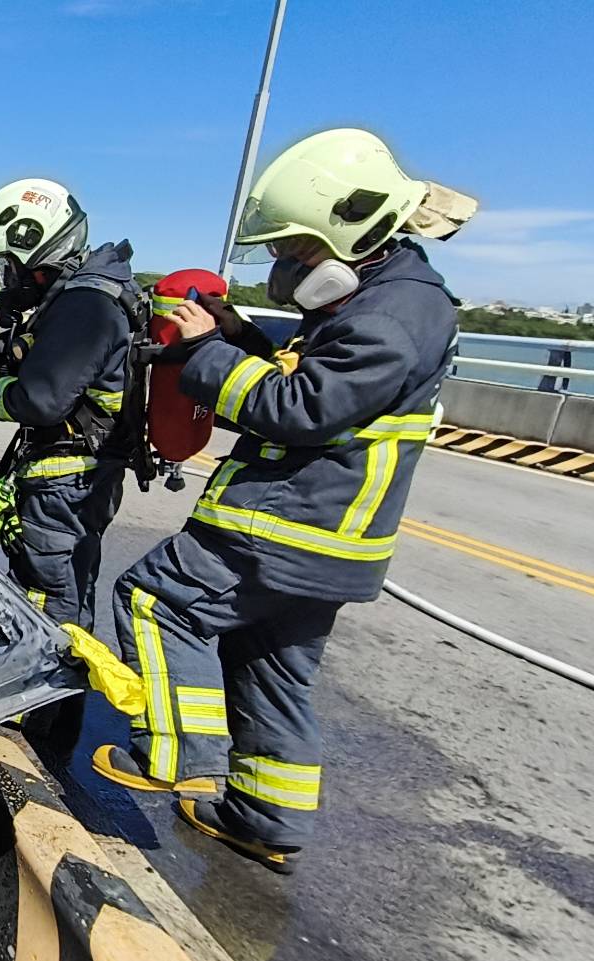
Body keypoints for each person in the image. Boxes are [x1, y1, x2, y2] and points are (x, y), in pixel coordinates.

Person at [90, 128, 470, 874]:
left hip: (290, 524)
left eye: (295, 251)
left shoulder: (391, 316)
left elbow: (301, 406)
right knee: (270, 666)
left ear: (348, 230)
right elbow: (316, 378)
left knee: (155, 600)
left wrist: (206, 356)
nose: (284, 265)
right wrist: (242, 336)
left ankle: (179, 756)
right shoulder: (392, 297)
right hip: (327, 544)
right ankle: (264, 816)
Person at [0, 178, 143, 632]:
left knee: (45, 604)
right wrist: (5, 353)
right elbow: (58, 364)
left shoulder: (86, 305)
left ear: (36, 254)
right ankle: (63, 693)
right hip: (81, 479)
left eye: (9, 266)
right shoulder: (90, 296)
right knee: (70, 592)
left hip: (66, 484)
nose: (7, 279)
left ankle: (43, 698)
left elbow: (41, 401)